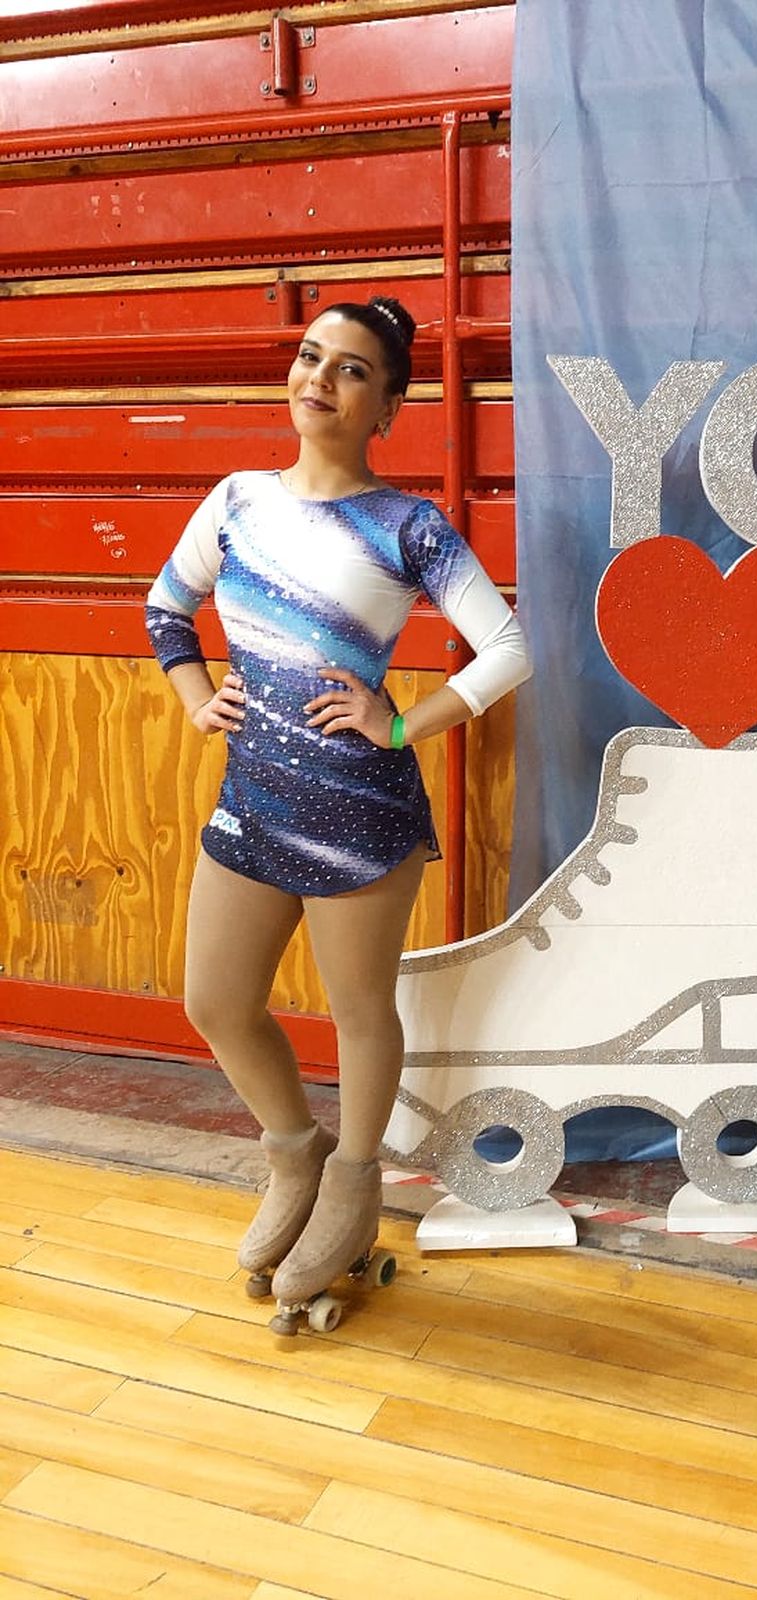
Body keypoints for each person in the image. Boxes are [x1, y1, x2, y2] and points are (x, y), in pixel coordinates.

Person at [144, 296, 531, 1315]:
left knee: (358, 1014)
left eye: (351, 368)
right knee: (216, 1003)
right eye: (311, 356)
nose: (319, 378)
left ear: (388, 406)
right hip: (252, 797)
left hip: (360, 812)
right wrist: (195, 697)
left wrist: (400, 726)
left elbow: (510, 647)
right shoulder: (236, 501)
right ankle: (296, 1153)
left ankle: (355, 1184)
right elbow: (166, 610)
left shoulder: (409, 527)